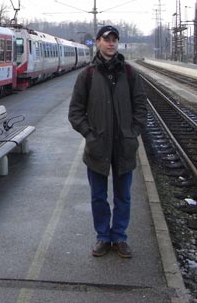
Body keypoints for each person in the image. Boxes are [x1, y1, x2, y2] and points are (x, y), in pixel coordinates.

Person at [68, 25, 147, 258]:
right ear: (98, 42)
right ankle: (103, 237)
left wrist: (132, 133)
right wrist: (90, 135)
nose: (111, 43)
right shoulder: (88, 75)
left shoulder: (130, 74)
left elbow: (141, 107)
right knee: (98, 197)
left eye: (114, 39)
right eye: (106, 39)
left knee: (123, 196)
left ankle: (119, 237)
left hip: (124, 146)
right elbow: (75, 112)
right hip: (98, 146)